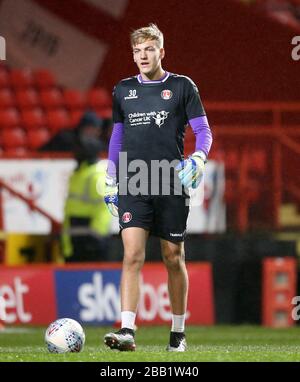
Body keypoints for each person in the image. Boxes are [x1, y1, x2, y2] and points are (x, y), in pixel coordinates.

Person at [103, 24, 212, 351]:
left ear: (161, 52)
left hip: (170, 180)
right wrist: (111, 177)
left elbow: (203, 131)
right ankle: (127, 331)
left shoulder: (182, 87)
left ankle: (177, 332)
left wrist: (199, 158)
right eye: (137, 51)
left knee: (173, 256)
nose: (142, 56)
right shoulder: (122, 90)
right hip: (134, 181)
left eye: (149, 49)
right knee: (132, 254)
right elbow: (117, 136)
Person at [61, 111, 112, 262]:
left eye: (79, 149)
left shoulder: (97, 173)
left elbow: (105, 207)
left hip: (92, 244)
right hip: (75, 242)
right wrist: (66, 245)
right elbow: (68, 211)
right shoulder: (77, 174)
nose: (75, 153)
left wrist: (97, 237)